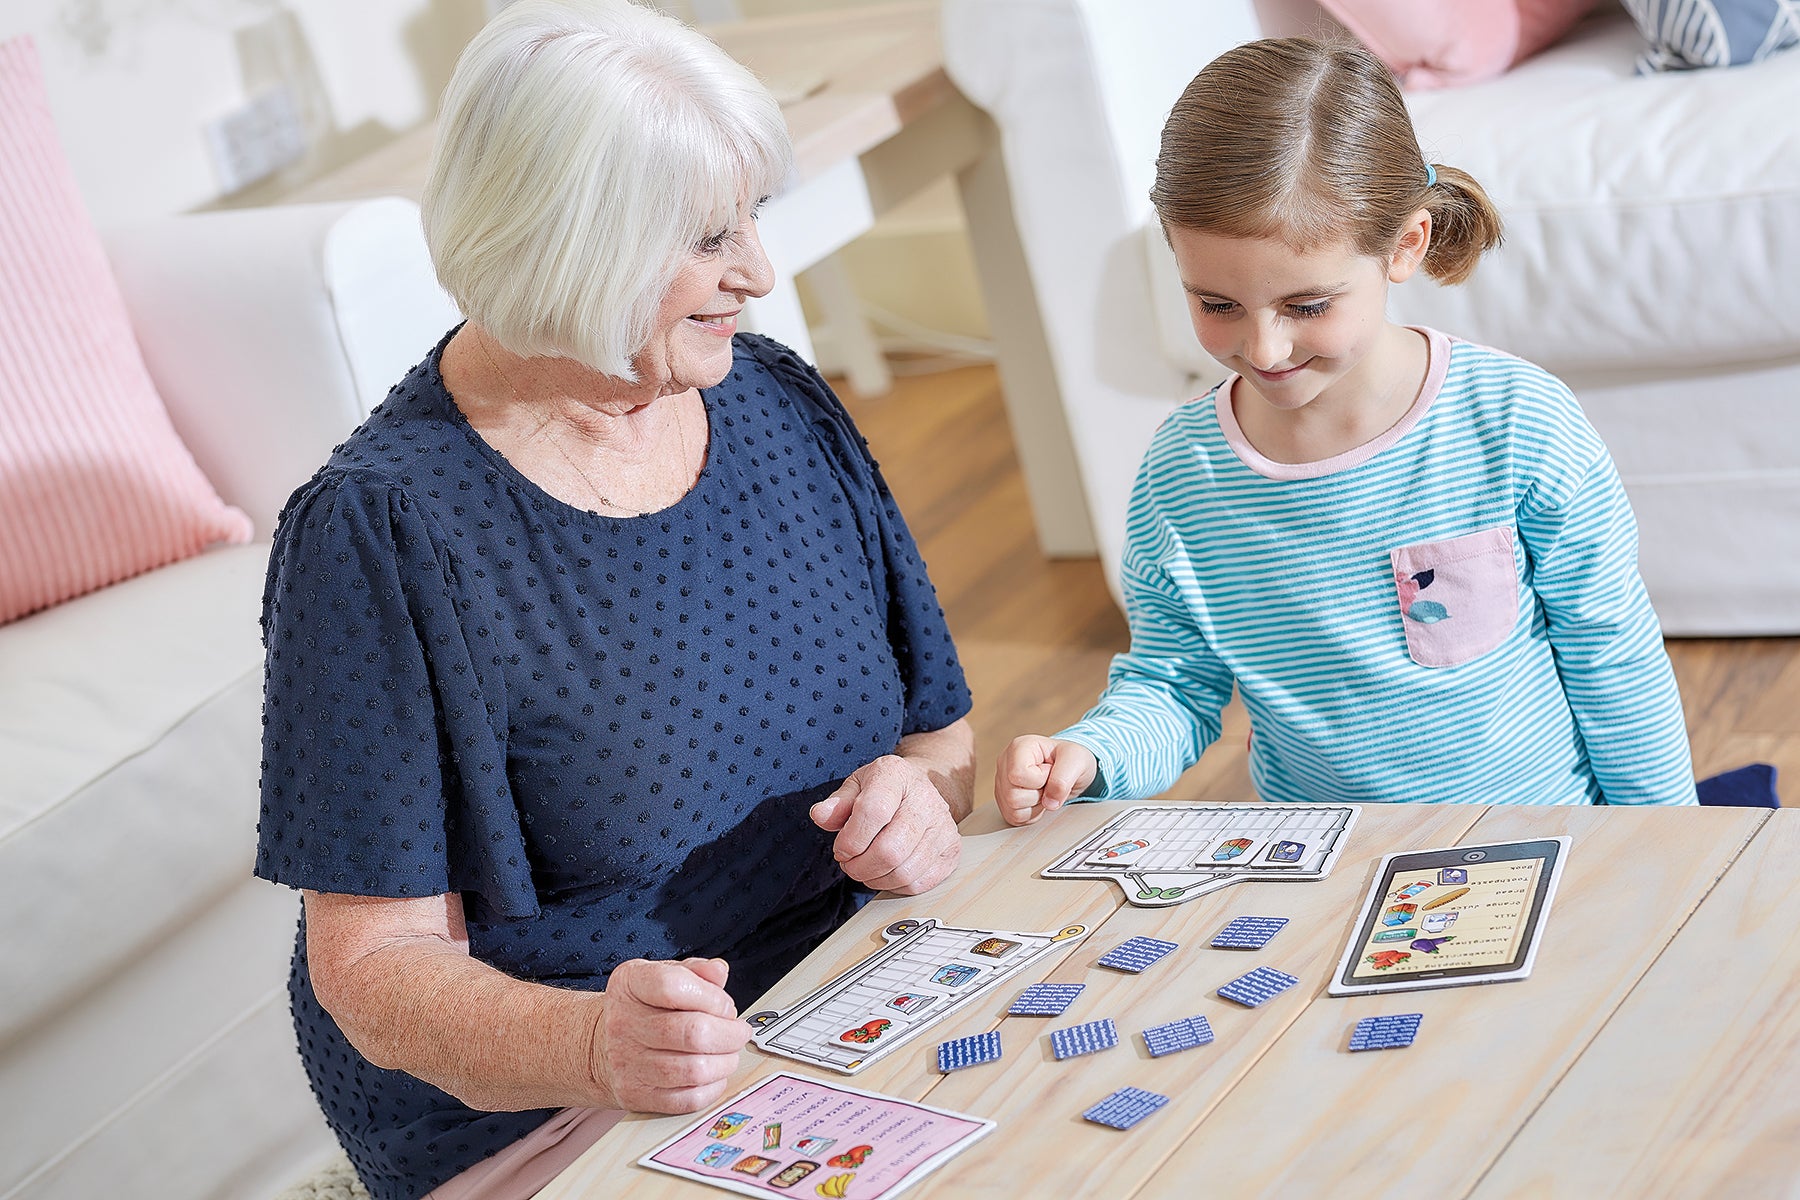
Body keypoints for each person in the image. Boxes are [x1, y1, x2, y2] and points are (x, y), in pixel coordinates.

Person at [252, 3, 975, 1197]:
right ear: (571, 242)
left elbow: (935, 733)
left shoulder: (776, 400)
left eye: (751, 218)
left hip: (844, 994)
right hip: (563, 1103)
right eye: (708, 239)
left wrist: (921, 807)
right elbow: (373, 968)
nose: (758, 271)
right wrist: (593, 1044)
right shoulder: (381, 533)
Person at [995, 38, 1695, 824]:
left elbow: (1612, 656)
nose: (1263, 349)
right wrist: (1094, 754)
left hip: (1547, 834)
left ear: (1406, 246)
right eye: (1217, 305)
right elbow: (1174, 682)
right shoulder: (1183, 473)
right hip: (1326, 866)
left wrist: (1668, 837)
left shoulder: (1515, 423)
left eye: (1306, 306)